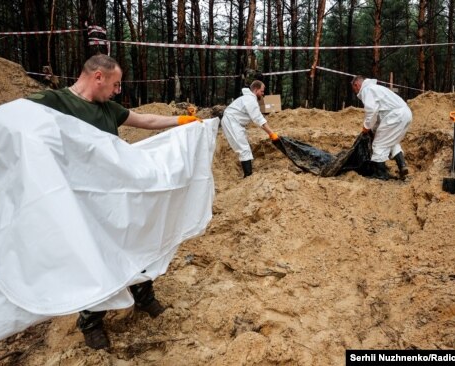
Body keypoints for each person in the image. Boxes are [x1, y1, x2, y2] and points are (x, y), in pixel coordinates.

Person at [27, 54, 200, 350]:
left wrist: (181, 121)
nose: (117, 90)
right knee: (94, 258)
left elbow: (145, 119)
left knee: (136, 241)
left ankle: (144, 296)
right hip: (82, 203)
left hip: (117, 195)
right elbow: (12, 121)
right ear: (98, 76)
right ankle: (91, 320)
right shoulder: (53, 101)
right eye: (115, 84)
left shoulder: (108, 108)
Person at [350, 75, 412, 180]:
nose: (355, 92)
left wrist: (366, 127)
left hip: (395, 116)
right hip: (405, 114)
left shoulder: (367, 90)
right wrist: (373, 130)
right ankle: (402, 166)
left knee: (378, 144)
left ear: (356, 84)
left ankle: (381, 174)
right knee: (391, 142)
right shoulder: (376, 88)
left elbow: (372, 111)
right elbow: (379, 115)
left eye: (354, 89)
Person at [221, 80, 279, 177]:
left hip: (234, 122)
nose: (263, 94)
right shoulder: (250, 100)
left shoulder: (248, 99)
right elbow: (258, 119)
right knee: (243, 149)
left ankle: (248, 174)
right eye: (262, 91)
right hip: (232, 122)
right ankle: (248, 175)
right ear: (256, 90)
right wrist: (271, 133)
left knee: (244, 147)